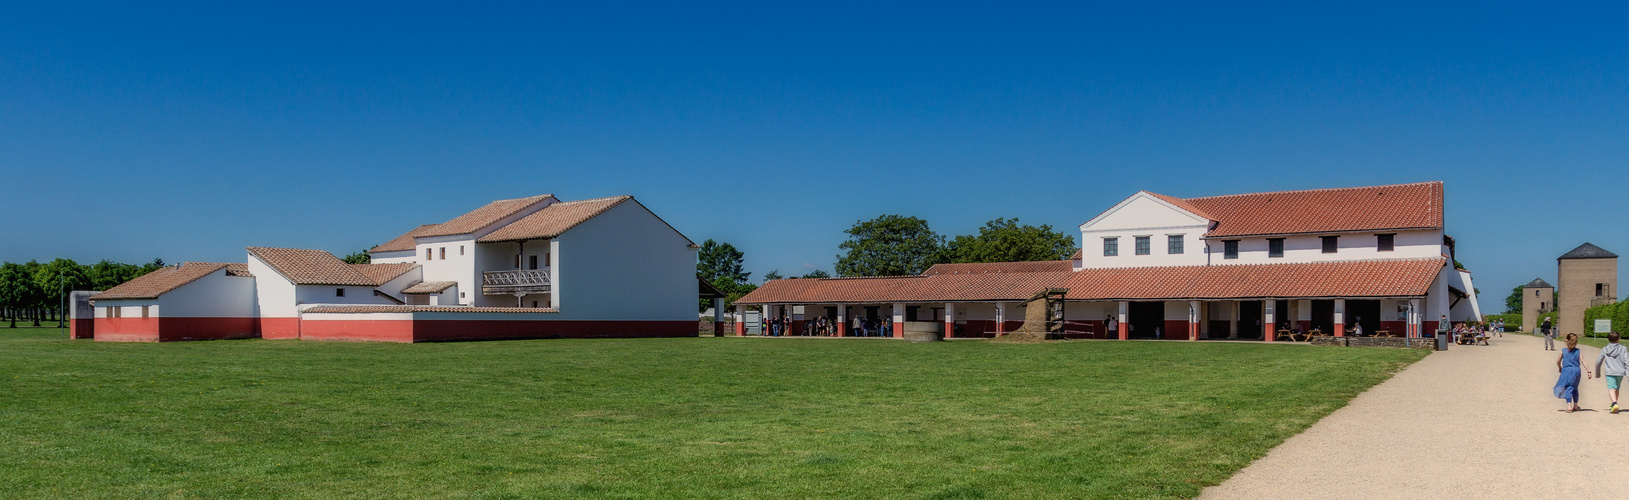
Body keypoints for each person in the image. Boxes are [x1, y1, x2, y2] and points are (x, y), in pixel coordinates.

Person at [1556, 333, 1592, 412]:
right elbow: (1583, 361)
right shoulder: (1578, 351)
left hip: (1566, 370)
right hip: (1576, 371)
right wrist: (1588, 371)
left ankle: (1569, 406)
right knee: (1575, 387)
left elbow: (1558, 361)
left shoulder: (1563, 351)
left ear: (1566, 340)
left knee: (1568, 387)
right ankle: (1575, 405)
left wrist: (1559, 367)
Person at [1595, 331, 1627, 414]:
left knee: (1611, 387)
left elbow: (1598, 361)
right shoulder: (1623, 348)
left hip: (1610, 371)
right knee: (1617, 387)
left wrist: (1597, 372)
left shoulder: (1605, 349)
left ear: (1608, 339)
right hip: (1620, 371)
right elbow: (1627, 361)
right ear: (1618, 339)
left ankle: (1614, 403)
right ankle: (1614, 404)